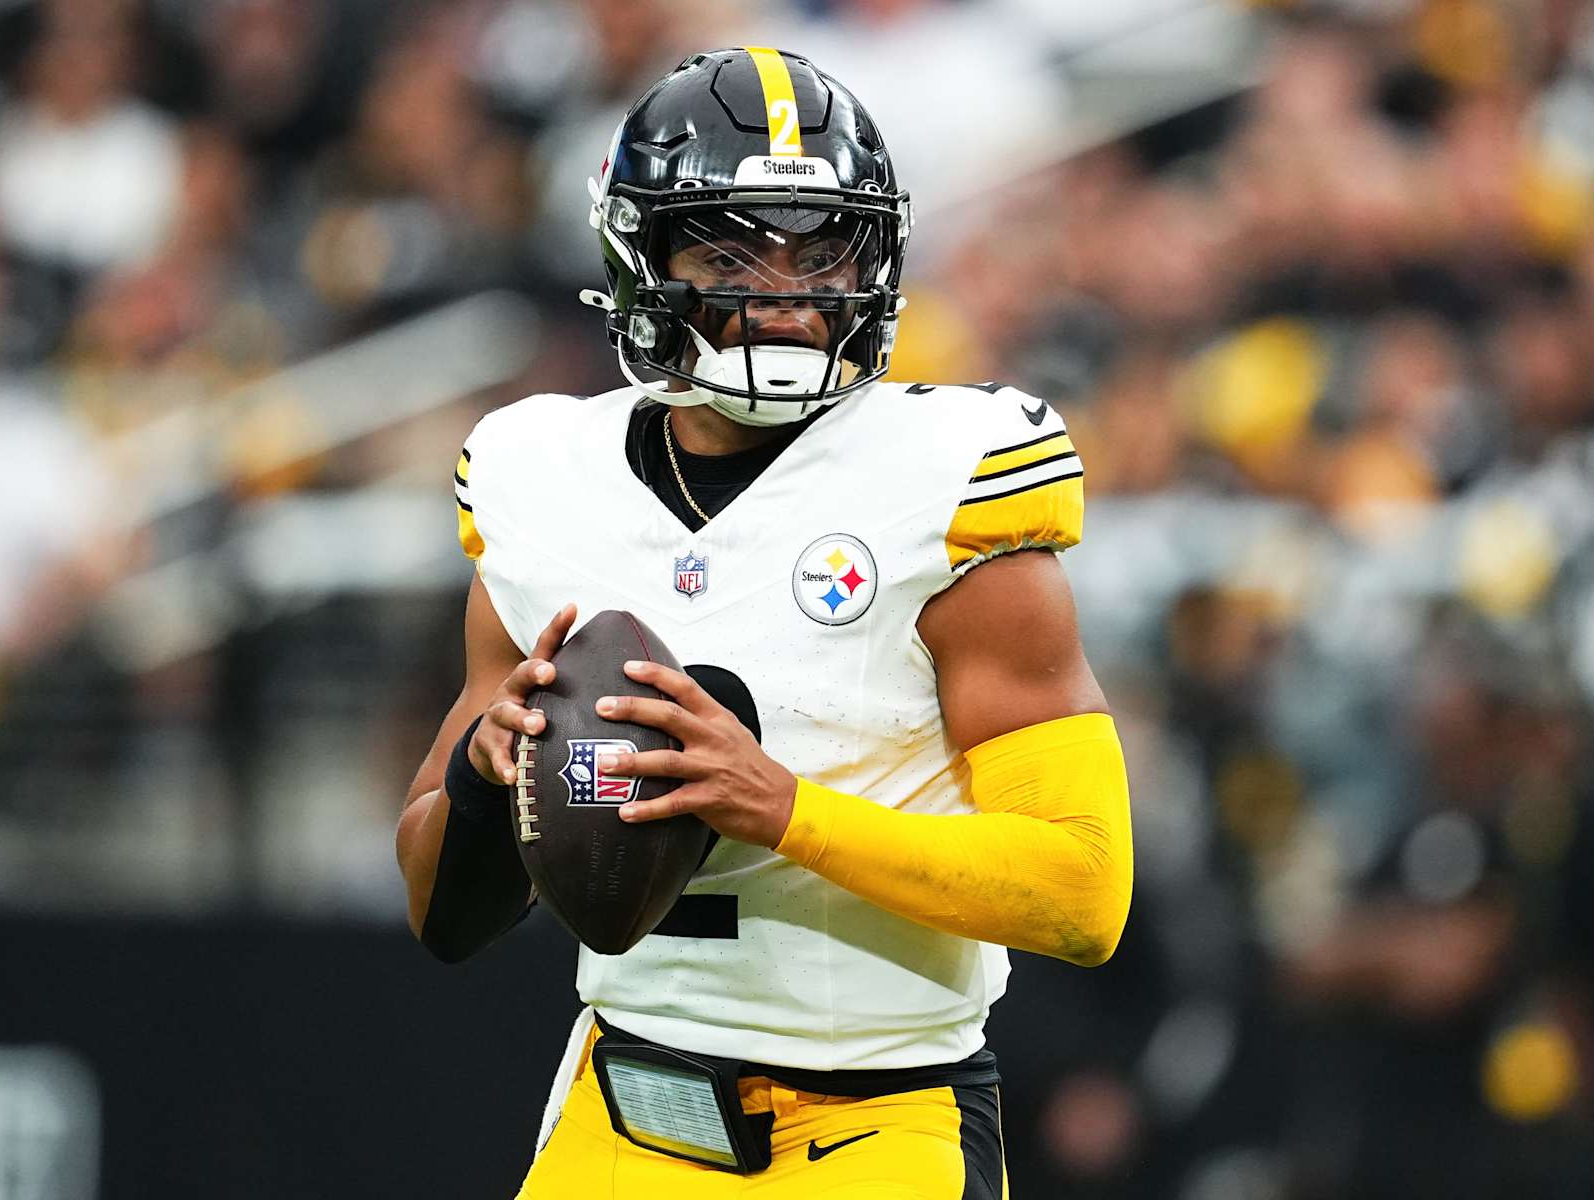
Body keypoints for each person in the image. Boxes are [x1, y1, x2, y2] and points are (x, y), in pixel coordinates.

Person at [395, 48, 1134, 1198]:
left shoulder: (950, 478)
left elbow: (1083, 891)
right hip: (627, 1102)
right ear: (643, 257)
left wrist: (782, 808)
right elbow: (441, 910)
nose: (788, 290)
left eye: (824, 247)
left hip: (875, 1119)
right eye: (731, 247)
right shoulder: (539, 477)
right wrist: (493, 784)